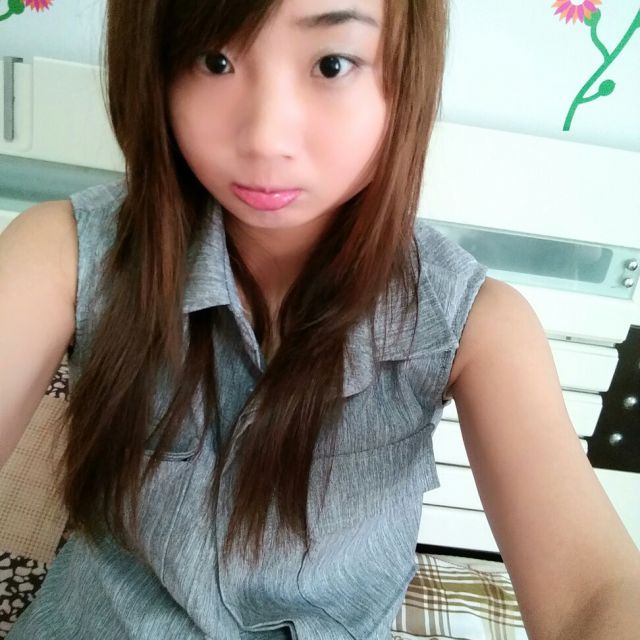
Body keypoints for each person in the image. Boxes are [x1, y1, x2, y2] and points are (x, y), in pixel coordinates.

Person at [1, 0, 639, 638]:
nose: (265, 139)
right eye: (214, 61)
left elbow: (592, 594)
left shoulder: (474, 324)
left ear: (405, 74)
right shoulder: (66, 254)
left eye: (332, 64)